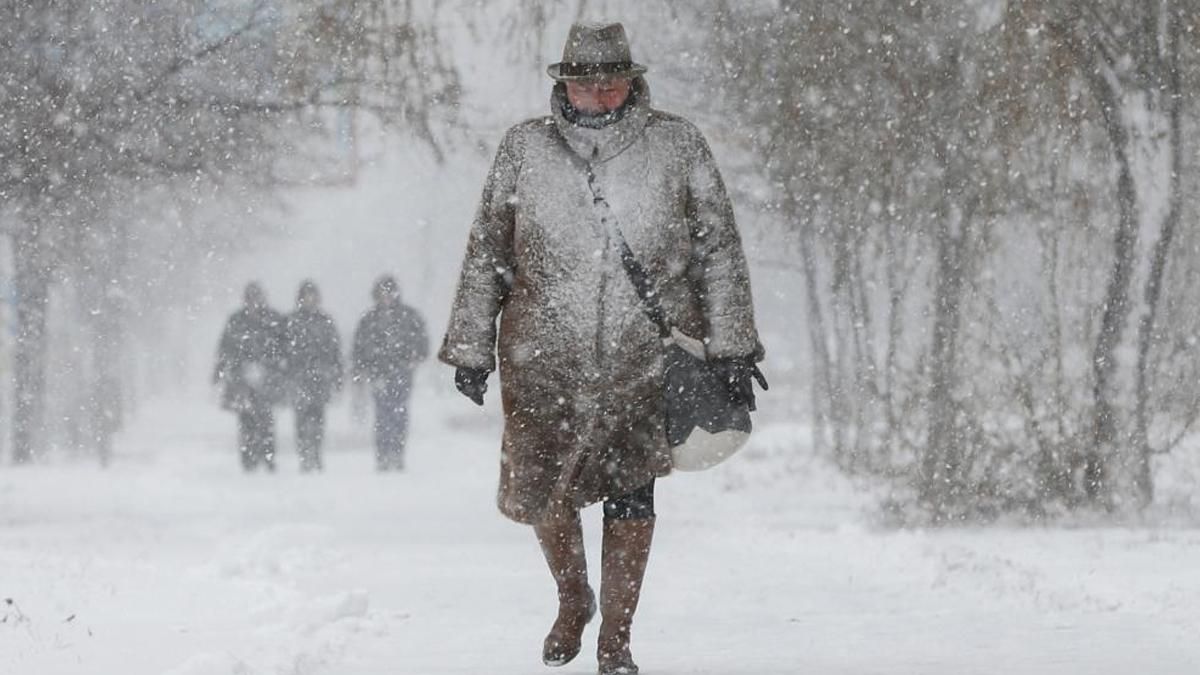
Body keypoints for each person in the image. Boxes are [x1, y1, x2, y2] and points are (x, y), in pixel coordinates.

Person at [439, 22, 765, 675]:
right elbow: (488, 253)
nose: (599, 89)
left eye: (610, 77)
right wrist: (472, 344)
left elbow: (718, 248)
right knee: (544, 491)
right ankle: (572, 596)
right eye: (585, 80)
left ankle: (616, 638)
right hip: (541, 356)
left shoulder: (676, 145)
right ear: (564, 84)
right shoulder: (524, 149)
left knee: (631, 495)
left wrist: (731, 342)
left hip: (638, 359)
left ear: (632, 79)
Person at [351, 275, 429, 471]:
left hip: (402, 374)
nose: (386, 296)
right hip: (378, 376)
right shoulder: (369, 320)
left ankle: (397, 452)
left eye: (389, 292)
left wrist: (415, 357)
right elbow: (358, 348)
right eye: (382, 293)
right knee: (382, 415)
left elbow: (423, 344)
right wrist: (361, 369)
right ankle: (383, 454)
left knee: (399, 414)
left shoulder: (409, 317)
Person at [213, 282, 287, 472]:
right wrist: (220, 371)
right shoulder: (236, 321)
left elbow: (283, 347)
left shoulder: (274, 319)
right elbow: (225, 348)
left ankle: (268, 457)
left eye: (257, 298)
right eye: (251, 298)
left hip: (267, 378)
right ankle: (249, 459)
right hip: (242, 379)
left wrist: (276, 368)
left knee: (266, 419)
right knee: (246, 420)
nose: (254, 302)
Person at [285, 280, 343, 472]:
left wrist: (337, 376)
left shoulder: (325, 321)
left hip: (320, 377)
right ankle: (304, 454)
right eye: (306, 296)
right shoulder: (292, 321)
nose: (310, 299)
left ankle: (316, 453)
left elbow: (335, 351)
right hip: (299, 378)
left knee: (318, 419)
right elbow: (283, 351)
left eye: (312, 296)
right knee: (301, 419)